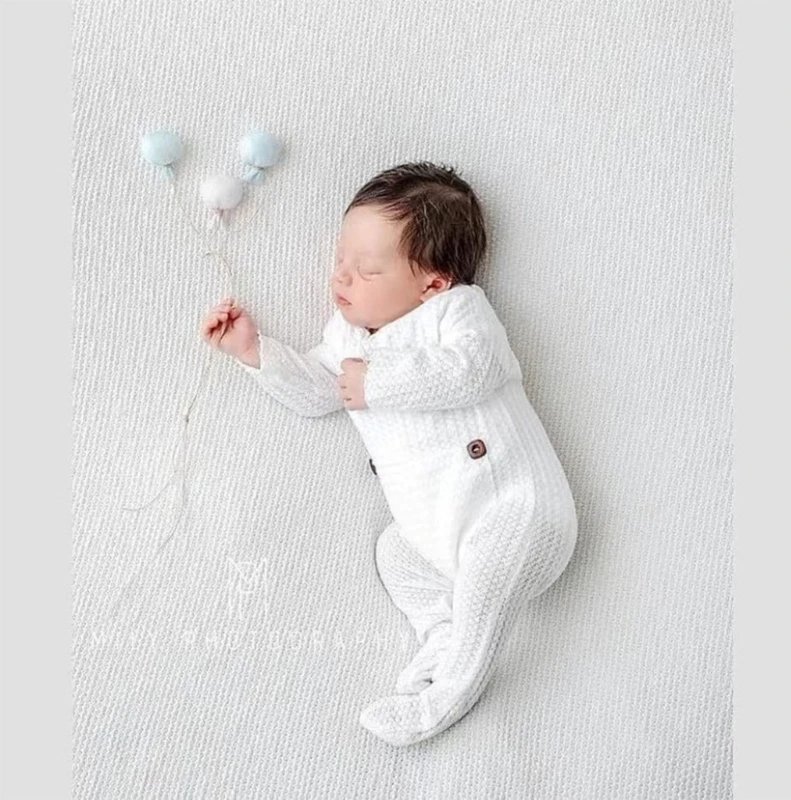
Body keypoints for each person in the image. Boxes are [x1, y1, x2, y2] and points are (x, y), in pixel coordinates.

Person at [201, 161, 578, 746]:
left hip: (517, 510)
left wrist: (376, 383)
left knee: (486, 579)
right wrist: (256, 353)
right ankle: (440, 633)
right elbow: (323, 392)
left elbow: (472, 371)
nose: (342, 277)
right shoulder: (347, 336)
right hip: (434, 535)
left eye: (368, 269)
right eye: (340, 259)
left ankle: (447, 695)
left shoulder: (458, 313)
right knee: (394, 552)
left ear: (432, 283)